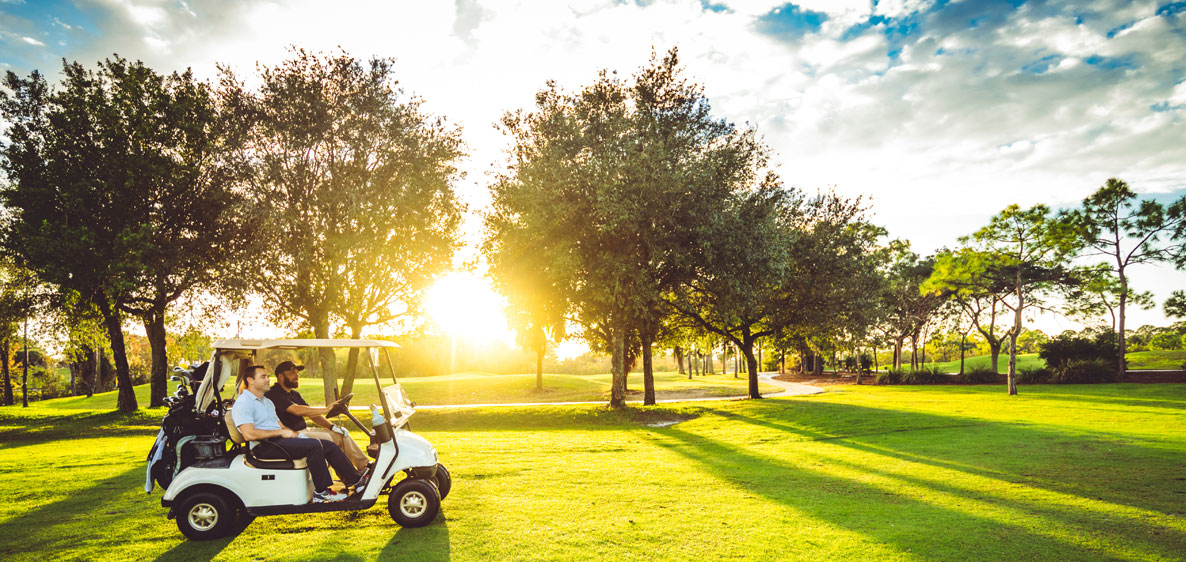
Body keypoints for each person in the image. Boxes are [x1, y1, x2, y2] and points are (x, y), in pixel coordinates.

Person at [231, 365, 368, 503]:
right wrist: (281, 433)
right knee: (314, 445)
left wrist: (294, 434)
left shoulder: (266, 402)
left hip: (278, 442)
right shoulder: (244, 403)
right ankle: (322, 492)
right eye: (263, 377)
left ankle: (356, 481)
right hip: (265, 447)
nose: (268, 380)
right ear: (250, 380)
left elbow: (280, 425)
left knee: (328, 445)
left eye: (267, 376)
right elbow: (249, 434)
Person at [265, 360, 369, 472]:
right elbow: (296, 410)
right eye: (292, 373)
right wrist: (325, 409)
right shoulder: (273, 394)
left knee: (341, 436)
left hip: (304, 430)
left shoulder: (294, 394)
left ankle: (365, 467)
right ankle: (350, 477)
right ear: (280, 376)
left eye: (297, 373)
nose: (297, 376)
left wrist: (332, 427)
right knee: (329, 440)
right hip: (291, 436)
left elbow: (311, 414)